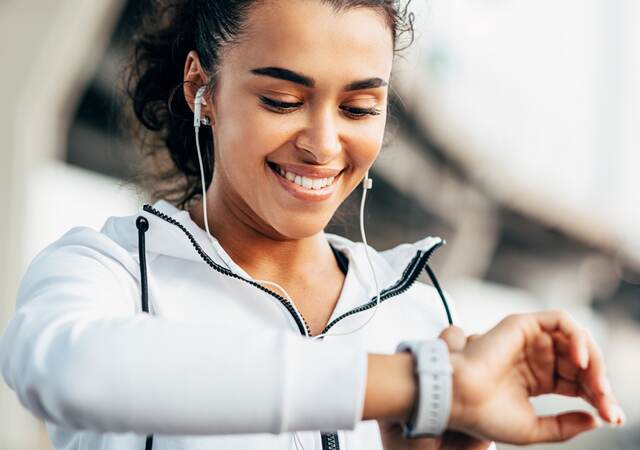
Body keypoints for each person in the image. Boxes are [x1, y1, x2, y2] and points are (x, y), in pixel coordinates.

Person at [0, 1, 625, 450]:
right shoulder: (105, 268)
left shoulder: (418, 302)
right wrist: (417, 385)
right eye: (282, 100)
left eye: (359, 107)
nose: (324, 145)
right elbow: (75, 373)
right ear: (202, 86)